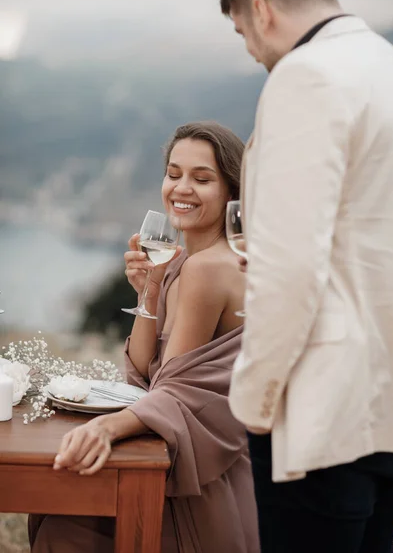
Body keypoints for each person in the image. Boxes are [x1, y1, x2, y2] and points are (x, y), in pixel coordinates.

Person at [220, 0, 393, 552]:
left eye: (242, 33)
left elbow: (292, 268)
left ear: (261, 11)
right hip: (388, 408)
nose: (251, 51)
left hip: (321, 411)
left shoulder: (306, 75)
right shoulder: (388, 66)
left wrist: (252, 400)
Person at [28, 121, 260, 553]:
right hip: (225, 478)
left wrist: (106, 428)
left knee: (64, 524)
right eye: (174, 174)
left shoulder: (205, 269)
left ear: (231, 192)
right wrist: (151, 288)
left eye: (202, 178)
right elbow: (139, 375)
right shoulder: (186, 262)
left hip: (200, 496)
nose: (181, 188)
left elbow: (171, 393)